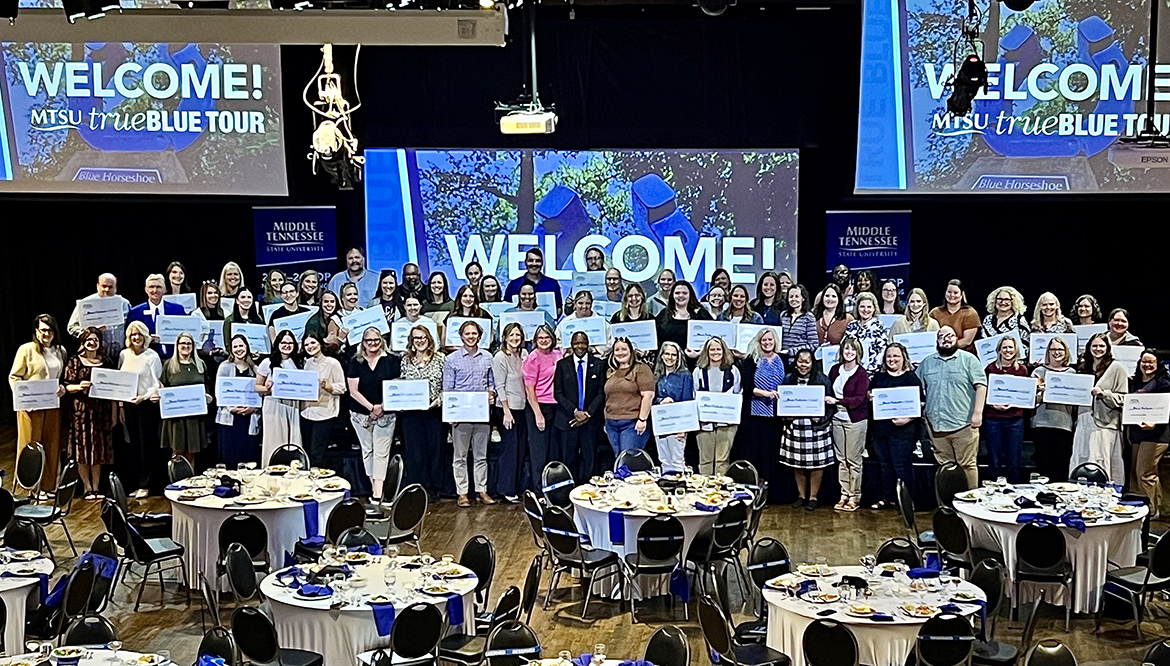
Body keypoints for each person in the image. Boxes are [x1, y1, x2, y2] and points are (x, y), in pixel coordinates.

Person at [918, 326, 987, 488]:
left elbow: (981, 386)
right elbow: (915, 388)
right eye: (941, 336)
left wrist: (978, 413)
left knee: (967, 465)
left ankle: (971, 505)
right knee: (945, 468)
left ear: (957, 338)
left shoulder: (969, 360)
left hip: (964, 423)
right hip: (936, 427)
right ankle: (947, 506)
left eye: (950, 335)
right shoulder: (927, 362)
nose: (946, 339)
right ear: (937, 341)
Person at [10, 315, 68, 496]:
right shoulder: (27, 349)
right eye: (43, 330)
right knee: (30, 446)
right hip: (30, 407)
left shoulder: (60, 351)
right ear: (36, 331)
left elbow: (60, 377)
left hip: (52, 404)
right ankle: (30, 488)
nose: (46, 334)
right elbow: (14, 377)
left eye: (50, 330)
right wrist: (23, 399)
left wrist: (62, 389)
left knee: (52, 444)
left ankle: (49, 486)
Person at [442, 320, 497, 507]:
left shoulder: (488, 357)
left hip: (482, 415)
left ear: (480, 336)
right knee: (460, 456)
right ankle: (462, 493)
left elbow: (492, 383)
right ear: (461, 336)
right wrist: (450, 414)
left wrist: (492, 393)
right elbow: (448, 389)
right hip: (461, 415)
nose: (471, 337)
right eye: (468, 333)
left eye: (474, 334)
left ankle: (482, 490)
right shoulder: (452, 359)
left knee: (481, 455)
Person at [347, 327, 402, 503]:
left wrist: (382, 407)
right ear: (363, 343)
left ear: (382, 341)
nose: (372, 344)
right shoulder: (356, 362)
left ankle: (378, 494)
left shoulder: (392, 361)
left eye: (376, 340)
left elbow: (397, 387)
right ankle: (375, 488)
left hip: (386, 413)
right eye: (368, 340)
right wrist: (372, 407)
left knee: (381, 452)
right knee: (368, 451)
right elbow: (353, 390)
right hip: (360, 414)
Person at [868, 343, 922, 510]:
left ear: (903, 358)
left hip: (903, 431)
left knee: (902, 467)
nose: (892, 359)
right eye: (889, 356)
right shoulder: (878, 378)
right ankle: (887, 498)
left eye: (896, 356)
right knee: (885, 467)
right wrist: (870, 396)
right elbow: (871, 397)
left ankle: (907, 501)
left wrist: (908, 418)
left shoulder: (911, 378)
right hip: (881, 430)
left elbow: (920, 403)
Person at [63, 327, 115, 499]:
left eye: (95, 340)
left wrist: (115, 411)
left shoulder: (106, 361)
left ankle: (96, 487)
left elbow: (114, 389)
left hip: (101, 413)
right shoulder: (75, 361)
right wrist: (79, 386)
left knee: (98, 451)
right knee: (82, 451)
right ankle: (86, 487)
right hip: (81, 413)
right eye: (88, 340)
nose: (92, 343)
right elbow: (66, 386)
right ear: (83, 343)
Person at [779, 348, 833, 511]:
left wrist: (821, 417)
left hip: (816, 429)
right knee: (798, 464)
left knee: (816, 465)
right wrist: (786, 416)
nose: (803, 365)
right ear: (796, 363)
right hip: (795, 428)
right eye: (800, 361)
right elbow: (782, 404)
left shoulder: (822, 380)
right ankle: (801, 496)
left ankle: (813, 497)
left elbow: (830, 406)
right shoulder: (788, 380)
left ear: (812, 363)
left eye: (807, 362)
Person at [1069, 333, 1129, 480]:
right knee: (1082, 460)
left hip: (1106, 424)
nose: (1098, 349)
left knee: (1103, 462)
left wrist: (1104, 394)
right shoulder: (1083, 368)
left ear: (1107, 348)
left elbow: (1124, 398)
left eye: (1101, 346)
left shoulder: (1117, 368)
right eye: (1094, 345)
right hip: (1084, 421)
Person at [400, 325, 447, 502]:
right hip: (411, 414)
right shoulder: (405, 359)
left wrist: (437, 402)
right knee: (415, 452)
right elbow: (400, 383)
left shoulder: (440, 358)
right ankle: (417, 488)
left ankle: (434, 488)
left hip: (434, 411)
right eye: (416, 338)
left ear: (429, 339)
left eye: (423, 337)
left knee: (435, 450)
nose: (420, 341)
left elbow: (447, 386)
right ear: (411, 341)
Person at [736, 327, 785, 495]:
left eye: (770, 340)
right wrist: (766, 393)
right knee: (756, 452)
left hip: (775, 416)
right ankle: (755, 488)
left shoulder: (782, 359)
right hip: (755, 415)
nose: (767, 342)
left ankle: (770, 491)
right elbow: (748, 388)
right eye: (764, 340)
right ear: (759, 341)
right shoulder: (751, 360)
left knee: (771, 452)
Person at [552, 331, 605, 482]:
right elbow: (558, 393)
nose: (580, 346)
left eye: (583, 343)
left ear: (588, 345)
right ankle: (570, 492)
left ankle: (589, 492)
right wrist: (575, 411)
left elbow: (601, 393)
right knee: (569, 459)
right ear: (571, 344)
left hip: (591, 421)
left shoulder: (599, 364)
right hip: (568, 420)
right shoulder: (562, 365)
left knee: (590, 459)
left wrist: (587, 414)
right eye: (576, 343)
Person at [118, 321, 163, 497]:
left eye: (139, 334)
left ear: (145, 336)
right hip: (129, 405)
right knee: (133, 445)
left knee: (147, 445)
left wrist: (143, 397)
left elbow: (157, 384)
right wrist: (121, 405)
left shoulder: (152, 357)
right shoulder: (123, 355)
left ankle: (146, 484)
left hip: (146, 405)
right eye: (133, 334)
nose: (136, 338)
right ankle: (136, 483)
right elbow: (120, 381)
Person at [826, 337, 869, 512]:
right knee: (841, 460)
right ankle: (844, 494)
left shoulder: (861, 373)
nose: (849, 352)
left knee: (854, 460)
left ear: (858, 352)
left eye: (853, 350)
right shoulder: (835, 369)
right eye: (846, 349)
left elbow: (858, 399)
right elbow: (827, 389)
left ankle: (855, 496)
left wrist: (837, 400)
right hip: (837, 419)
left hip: (855, 420)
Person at [159, 332, 212, 464]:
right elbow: (162, 387)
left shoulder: (200, 365)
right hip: (176, 419)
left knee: (191, 453)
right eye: (183, 343)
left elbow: (207, 386)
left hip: (194, 418)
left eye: (189, 343)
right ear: (177, 346)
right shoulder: (169, 366)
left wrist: (208, 397)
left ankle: (191, 482)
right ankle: (176, 483)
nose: (186, 346)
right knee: (177, 453)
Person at [693, 337, 741, 476]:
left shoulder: (733, 371)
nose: (715, 352)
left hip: (727, 423)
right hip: (704, 423)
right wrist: (700, 418)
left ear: (724, 351)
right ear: (706, 352)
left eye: (718, 349)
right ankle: (704, 491)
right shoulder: (699, 371)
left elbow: (738, 394)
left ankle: (719, 492)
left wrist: (732, 416)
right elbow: (694, 395)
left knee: (722, 460)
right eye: (712, 349)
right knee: (705, 459)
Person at [1129, 349, 1169, 515]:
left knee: (1144, 472)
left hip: (1158, 435)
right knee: (1138, 472)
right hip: (1138, 434)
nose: (1147, 365)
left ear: (1157, 364)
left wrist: (1156, 423)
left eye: (1151, 362)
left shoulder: (1165, 384)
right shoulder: (1134, 383)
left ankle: (1151, 511)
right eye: (1144, 362)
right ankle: (1155, 507)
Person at [983, 336, 1028, 483]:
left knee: (1014, 461)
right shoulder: (990, 368)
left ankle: (1013, 494)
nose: (1008, 350)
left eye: (1010, 347)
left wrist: (1015, 403)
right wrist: (992, 405)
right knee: (994, 461)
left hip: (1015, 420)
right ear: (999, 350)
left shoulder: (1022, 370)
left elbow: (1025, 394)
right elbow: (983, 391)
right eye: (1005, 347)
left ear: (1016, 350)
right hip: (993, 420)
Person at [255, 329, 304, 464]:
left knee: (292, 439)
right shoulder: (267, 362)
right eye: (283, 342)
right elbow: (257, 387)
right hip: (273, 405)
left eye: (290, 343)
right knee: (274, 438)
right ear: (277, 344)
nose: (286, 345)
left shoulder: (299, 363)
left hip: (292, 405)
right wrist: (267, 388)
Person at [1032, 337, 1076, 483]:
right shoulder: (1038, 371)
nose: (1057, 352)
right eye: (1053, 349)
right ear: (1048, 352)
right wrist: (1041, 393)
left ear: (1066, 352)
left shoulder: (1072, 373)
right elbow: (1029, 401)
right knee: (1043, 465)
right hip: (1042, 423)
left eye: (1060, 349)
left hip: (1063, 424)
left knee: (1060, 466)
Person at [494, 322, 529, 503]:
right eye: (512, 335)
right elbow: (499, 386)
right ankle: (505, 489)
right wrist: (506, 411)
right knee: (510, 450)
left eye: (518, 335)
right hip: (507, 409)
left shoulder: (524, 355)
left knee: (520, 449)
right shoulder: (500, 357)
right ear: (505, 338)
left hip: (523, 408)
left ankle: (516, 487)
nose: (515, 338)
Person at [523, 324, 563, 487]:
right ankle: (539, 489)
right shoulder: (532, 357)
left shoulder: (558, 354)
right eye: (540, 338)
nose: (544, 341)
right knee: (539, 452)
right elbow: (529, 389)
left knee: (554, 450)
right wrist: (538, 414)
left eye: (547, 337)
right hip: (538, 407)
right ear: (535, 341)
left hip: (557, 407)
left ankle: (554, 487)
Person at [216, 335, 261, 469]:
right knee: (230, 459)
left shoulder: (256, 369)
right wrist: (232, 408)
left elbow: (261, 395)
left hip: (249, 421)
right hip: (230, 421)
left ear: (247, 347)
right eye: (235, 346)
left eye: (241, 345)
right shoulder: (224, 367)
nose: (238, 349)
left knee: (248, 460)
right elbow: (219, 392)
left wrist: (254, 408)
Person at [603, 338, 655, 455]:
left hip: (632, 422)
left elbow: (648, 395)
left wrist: (642, 419)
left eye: (624, 349)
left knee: (628, 458)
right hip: (612, 423)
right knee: (619, 458)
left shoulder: (641, 369)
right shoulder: (611, 372)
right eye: (617, 350)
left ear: (631, 351)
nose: (620, 353)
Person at [301, 332, 346, 466]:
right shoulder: (307, 363)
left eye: (313, 342)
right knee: (307, 450)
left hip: (324, 414)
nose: (310, 346)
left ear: (320, 343)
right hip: (306, 413)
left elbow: (342, 387)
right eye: (306, 345)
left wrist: (329, 387)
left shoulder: (332, 363)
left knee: (317, 452)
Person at [652, 341, 693, 471]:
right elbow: (651, 398)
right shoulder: (657, 375)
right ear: (662, 356)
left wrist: (684, 428)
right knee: (663, 459)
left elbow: (688, 402)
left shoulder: (685, 375)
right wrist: (660, 401)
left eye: (674, 355)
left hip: (677, 424)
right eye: (667, 354)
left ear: (678, 357)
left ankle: (679, 489)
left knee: (677, 459)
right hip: (661, 422)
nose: (670, 357)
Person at [67, 273, 130, 355]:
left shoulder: (124, 304)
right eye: (104, 286)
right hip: (95, 355)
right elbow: (71, 327)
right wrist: (90, 332)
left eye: (110, 287)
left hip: (119, 354)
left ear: (116, 288)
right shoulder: (85, 303)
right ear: (97, 286)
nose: (107, 290)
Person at [127, 274, 186, 356]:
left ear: (165, 289)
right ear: (146, 289)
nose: (155, 290)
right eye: (151, 287)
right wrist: (148, 339)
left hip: (174, 357)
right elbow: (130, 338)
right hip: (147, 357)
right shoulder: (136, 312)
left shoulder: (177, 309)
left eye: (158, 287)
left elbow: (184, 333)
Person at [656, 280, 712, 364]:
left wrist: (699, 354)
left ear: (690, 295)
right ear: (672, 295)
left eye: (684, 293)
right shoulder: (663, 315)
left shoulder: (701, 315)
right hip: (669, 364)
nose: (681, 296)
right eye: (677, 293)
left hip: (695, 363)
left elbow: (713, 340)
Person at [503, 247, 563, 314]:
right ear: (525, 263)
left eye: (537, 261)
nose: (534, 264)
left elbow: (559, 308)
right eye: (531, 260)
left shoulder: (553, 284)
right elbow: (507, 308)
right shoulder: (514, 285)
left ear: (542, 263)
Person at [843, 293, 888, 376]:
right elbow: (844, 347)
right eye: (862, 306)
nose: (865, 310)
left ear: (874, 308)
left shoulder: (879, 327)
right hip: (851, 372)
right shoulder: (851, 326)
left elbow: (882, 352)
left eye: (869, 307)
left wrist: (870, 372)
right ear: (857, 308)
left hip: (872, 373)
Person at [929, 280, 980, 353]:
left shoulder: (970, 313)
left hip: (962, 353)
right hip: (938, 353)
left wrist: (947, 348)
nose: (952, 295)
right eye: (949, 292)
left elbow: (966, 341)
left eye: (955, 293)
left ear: (962, 294)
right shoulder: (935, 312)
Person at [980, 287, 1031, 359]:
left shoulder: (1019, 319)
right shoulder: (988, 319)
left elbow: (1026, 344)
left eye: (1007, 299)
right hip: (990, 363)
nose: (1003, 302)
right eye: (1000, 299)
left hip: (1013, 363)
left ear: (1013, 302)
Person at [779, 284, 819, 367]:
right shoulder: (783, 315)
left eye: (797, 296)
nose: (793, 299)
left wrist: (790, 352)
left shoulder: (809, 317)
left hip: (800, 362)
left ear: (803, 298)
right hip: (783, 361)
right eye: (791, 296)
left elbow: (813, 345)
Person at [814, 283, 852, 348]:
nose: (830, 299)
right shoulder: (813, 316)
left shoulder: (848, 319)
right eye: (827, 296)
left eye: (834, 296)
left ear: (839, 299)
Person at [307, 290, 342, 354]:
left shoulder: (340, 317)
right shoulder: (313, 322)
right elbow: (309, 344)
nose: (329, 304)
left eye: (332, 302)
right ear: (321, 303)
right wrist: (325, 341)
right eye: (326, 301)